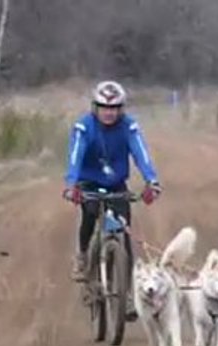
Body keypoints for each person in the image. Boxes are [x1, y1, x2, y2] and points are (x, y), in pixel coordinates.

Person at [63, 80, 162, 318]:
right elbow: (75, 156)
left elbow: (141, 153)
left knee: (124, 238)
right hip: (88, 183)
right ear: (95, 107)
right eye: (104, 107)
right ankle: (83, 256)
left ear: (121, 109)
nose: (109, 113)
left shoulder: (129, 127)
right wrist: (71, 184)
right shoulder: (84, 127)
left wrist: (152, 181)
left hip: (116, 185)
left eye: (115, 108)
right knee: (89, 214)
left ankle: (126, 295)